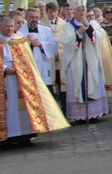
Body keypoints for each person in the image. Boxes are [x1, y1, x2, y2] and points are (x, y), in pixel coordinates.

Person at [0, 15, 69, 147]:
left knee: (24, 107)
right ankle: (6, 137)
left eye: (11, 26)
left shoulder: (20, 40)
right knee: (8, 108)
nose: (9, 29)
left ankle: (25, 135)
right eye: (6, 26)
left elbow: (28, 61)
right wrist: (4, 68)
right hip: (4, 80)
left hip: (21, 80)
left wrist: (20, 69)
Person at [61, 0, 112, 123]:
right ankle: (79, 116)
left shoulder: (94, 23)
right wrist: (78, 34)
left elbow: (100, 37)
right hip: (76, 62)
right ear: (74, 11)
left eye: (84, 9)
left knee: (92, 81)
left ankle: (93, 114)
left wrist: (87, 27)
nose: (82, 12)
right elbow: (66, 42)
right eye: (79, 10)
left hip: (91, 60)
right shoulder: (68, 26)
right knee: (78, 84)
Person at [18, 7, 58, 96]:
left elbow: (54, 45)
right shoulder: (19, 31)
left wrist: (41, 44)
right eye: (32, 17)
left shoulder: (46, 30)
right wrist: (28, 43)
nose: (34, 20)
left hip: (43, 66)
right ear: (26, 17)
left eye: (36, 17)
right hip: (27, 67)